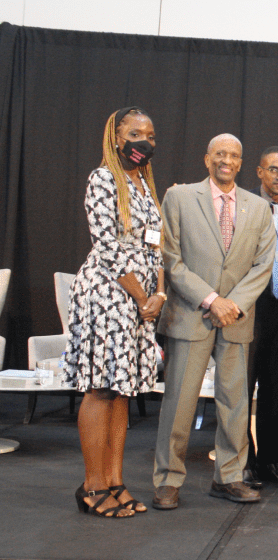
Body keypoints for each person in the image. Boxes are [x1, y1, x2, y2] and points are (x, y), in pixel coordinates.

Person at [152, 133, 277, 509]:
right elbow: (170, 259)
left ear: (241, 163)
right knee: (179, 402)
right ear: (207, 159)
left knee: (235, 403)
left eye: (234, 156)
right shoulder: (178, 197)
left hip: (236, 319)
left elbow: (263, 264)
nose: (227, 160)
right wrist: (211, 300)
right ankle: (168, 480)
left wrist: (232, 304)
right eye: (220, 154)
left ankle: (230, 477)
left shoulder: (258, 207)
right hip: (191, 314)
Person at [64, 106, 164, 518]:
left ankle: (116, 481)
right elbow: (107, 246)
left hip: (141, 300)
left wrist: (159, 291)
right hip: (106, 296)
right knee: (101, 388)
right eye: (136, 132)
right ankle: (92, 485)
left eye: (151, 135)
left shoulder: (144, 184)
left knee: (122, 389)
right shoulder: (103, 179)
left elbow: (157, 243)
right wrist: (142, 297)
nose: (144, 140)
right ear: (117, 137)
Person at [244, 146, 278, 489]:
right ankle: (244, 463)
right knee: (243, 389)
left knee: (274, 389)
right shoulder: (245, 205)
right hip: (251, 305)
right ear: (260, 173)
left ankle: (268, 463)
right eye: (273, 169)